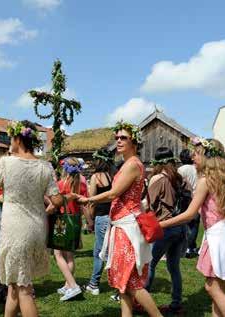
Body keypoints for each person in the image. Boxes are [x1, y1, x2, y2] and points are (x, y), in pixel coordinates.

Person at [160, 137, 225, 317]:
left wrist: (159, 224)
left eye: (196, 154)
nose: (193, 157)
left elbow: (190, 214)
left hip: (217, 237)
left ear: (207, 156)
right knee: (220, 287)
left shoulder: (206, 180)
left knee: (211, 287)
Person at [0, 120, 64, 317]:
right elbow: (57, 200)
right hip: (37, 229)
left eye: (11, 138)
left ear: (18, 139)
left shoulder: (5, 163)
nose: (9, 143)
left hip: (15, 230)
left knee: (24, 289)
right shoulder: (45, 166)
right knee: (13, 286)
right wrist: (47, 208)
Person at [77, 121, 162, 317]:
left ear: (134, 141)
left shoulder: (133, 164)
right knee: (123, 285)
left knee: (131, 282)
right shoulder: (128, 164)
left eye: (123, 137)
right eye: (117, 138)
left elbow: (113, 193)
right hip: (121, 225)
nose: (119, 141)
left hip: (127, 228)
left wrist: (88, 199)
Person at [146, 147, 189, 314]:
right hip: (180, 226)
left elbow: (149, 205)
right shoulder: (179, 178)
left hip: (163, 227)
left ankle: (142, 299)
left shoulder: (157, 178)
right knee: (174, 267)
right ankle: (176, 304)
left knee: (149, 264)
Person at [54, 157, 88, 301]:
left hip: (61, 220)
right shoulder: (82, 185)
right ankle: (68, 284)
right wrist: (89, 221)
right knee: (69, 256)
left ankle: (73, 286)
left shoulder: (60, 184)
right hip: (75, 220)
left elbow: (54, 202)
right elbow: (85, 204)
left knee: (58, 254)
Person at [83, 149, 114, 296]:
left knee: (102, 252)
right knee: (104, 251)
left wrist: (89, 220)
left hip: (101, 217)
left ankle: (96, 284)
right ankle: (96, 283)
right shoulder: (112, 176)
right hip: (113, 216)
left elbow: (91, 200)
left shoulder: (96, 177)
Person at [178, 148, 200, 258]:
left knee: (184, 222)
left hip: (186, 198)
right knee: (194, 224)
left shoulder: (181, 169)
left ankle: (185, 246)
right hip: (198, 197)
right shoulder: (197, 168)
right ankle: (191, 247)